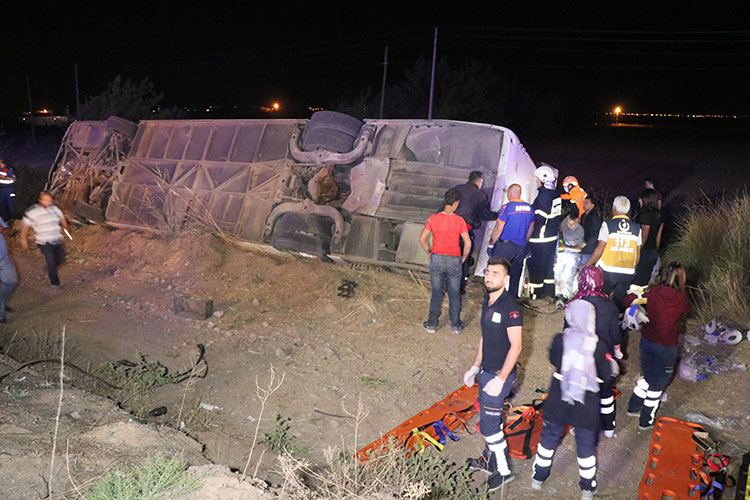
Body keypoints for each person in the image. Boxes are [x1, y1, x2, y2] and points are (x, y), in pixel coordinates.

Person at [530, 300, 616, 499]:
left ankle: (538, 477)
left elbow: (553, 359)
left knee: (549, 436)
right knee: (585, 444)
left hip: (558, 396)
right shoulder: (599, 345)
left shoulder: (561, 339)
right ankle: (587, 487)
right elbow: (605, 375)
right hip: (586, 403)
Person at [463, 256, 523, 490]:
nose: (489, 276)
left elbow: (516, 347)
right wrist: (475, 366)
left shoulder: (511, 308)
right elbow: (484, 337)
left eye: (495, 273)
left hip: (500, 374)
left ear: (506, 279)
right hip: (486, 371)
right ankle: (488, 460)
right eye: (487, 272)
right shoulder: (487, 301)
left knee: (489, 426)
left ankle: (504, 470)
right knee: (491, 418)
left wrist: (500, 379)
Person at [625, 262, 690, 430]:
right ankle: (646, 419)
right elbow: (686, 313)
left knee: (647, 374)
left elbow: (630, 299)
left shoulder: (652, 292)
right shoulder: (681, 298)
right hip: (667, 344)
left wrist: (636, 301)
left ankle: (634, 406)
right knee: (658, 384)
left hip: (648, 340)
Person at [569, 266, 622, 437]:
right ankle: (608, 428)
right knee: (605, 394)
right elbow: (615, 332)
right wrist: (617, 350)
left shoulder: (574, 304)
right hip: (603, 355)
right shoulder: (609, 304)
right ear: (601, 281)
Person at [419, 188, 471, 334]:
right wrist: (464, 257)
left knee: (436, 292)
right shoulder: (460, 221)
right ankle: (455, 325)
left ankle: (432, 324)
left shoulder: (433, 218)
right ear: (456, 204)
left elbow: (422, 239)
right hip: (454, 259)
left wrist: (429, 252)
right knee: (454, 293)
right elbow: (468, 243)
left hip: (437, 258)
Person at [585, 196, 642, 310]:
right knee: (619, 301)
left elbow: (600, 248)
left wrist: (587, 264)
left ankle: (601, 317)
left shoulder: (608, 225)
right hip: (627, 273)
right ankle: (617, 320)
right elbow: (637, 252)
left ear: (614, 208)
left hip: (608, 272)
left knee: (602, 298)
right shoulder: (637, 228)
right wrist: (634, 269)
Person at [453, 171, 498, 295]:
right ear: (480, 181)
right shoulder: (480, 195)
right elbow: (485, 214)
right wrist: (499, 215)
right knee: (463, 259)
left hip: (448, 229)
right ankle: (459, 288)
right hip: (464, 232)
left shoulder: (456, 189)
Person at [487, 183, 534, 297]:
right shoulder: (530, 208)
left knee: (497, 272)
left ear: (510, 194)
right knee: (515, 276)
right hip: (520, 248)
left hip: (504, 247)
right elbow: (530, 229)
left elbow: (499, 228)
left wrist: (492, 243)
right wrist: (524, 243)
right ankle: (511, 301)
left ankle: (494, 298)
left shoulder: (506, 207)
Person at [20, 192, 69, 289]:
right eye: (46, 200)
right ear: (40, 200)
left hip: (57, 239)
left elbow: (62, 218)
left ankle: (52, 267)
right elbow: (25, 226)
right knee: (51, 261)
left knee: (61, 259)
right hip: (44, 242)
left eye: (50, 200)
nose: (48, 202)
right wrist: (23, 239)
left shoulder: (54, 209)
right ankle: (55, 283)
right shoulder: (32, 212)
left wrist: (65, 227)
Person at [528, 165, 562, 299]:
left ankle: (537, 294)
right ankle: (549, 292)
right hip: (551, 238)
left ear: (543, 179)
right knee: (548, 268)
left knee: (536, 267)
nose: (536, 181)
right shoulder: (555, 195)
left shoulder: (543, 197)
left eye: (537, 179)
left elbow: (539, 219)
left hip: (539, 238)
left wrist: (529, 236)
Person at [632, 189, 663, 286]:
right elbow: (658, 236)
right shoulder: (659, 215)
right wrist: (656, 251)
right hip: (652, 250)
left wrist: (637, 252)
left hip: (643, 251)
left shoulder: (644, 214)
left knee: (636, 281)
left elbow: (644, 236)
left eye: (641, 199)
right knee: (645, 281)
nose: (639, 201)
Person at [554, 213, 585, 305]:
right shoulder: (565, 223)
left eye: (572, 224)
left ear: (576, 221)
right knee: (557, 272)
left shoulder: (579, 230)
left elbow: (579, 248)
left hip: (573, 254)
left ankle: (566, 295)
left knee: (568, 275)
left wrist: (565, 246)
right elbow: (561, 227)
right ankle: (557, 293)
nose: (570, 226)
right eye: (569, 224)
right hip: (563, 252)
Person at [0, 216, 18, 323]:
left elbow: (8, 232)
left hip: (3, 257)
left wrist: (2, 229)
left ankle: (1, 302)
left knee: (11, 283)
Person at [580, 196, 602, 264]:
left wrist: (586, 242)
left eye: (586, 203)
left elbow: (597, 232)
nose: (584, 205)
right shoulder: (583, 215)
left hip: (590, 248)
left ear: (592, 205)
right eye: (584, 203)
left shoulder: (594, 217)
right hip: (583, 246)